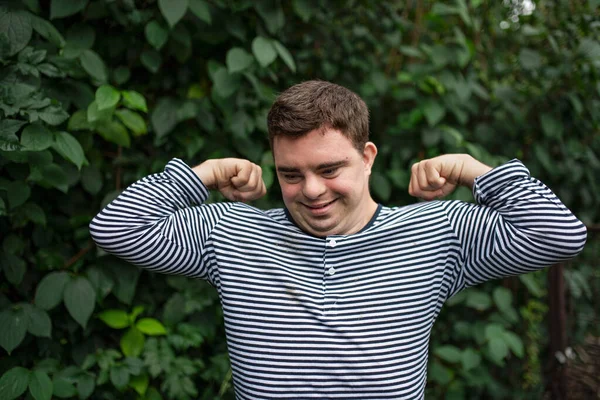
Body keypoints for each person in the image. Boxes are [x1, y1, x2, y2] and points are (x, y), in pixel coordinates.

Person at [90, 80, 587, 399]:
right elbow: (114, 230)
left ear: (367, 156)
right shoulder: (232, 232)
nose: (310, 191)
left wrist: (475, 171)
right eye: (290, 174)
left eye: (330, 168)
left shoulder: (436, 232)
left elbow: (560, 236)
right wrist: (203, 174)